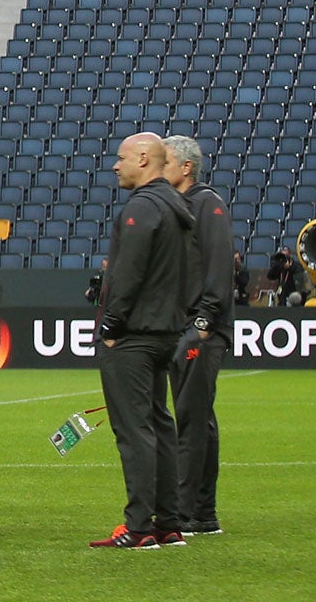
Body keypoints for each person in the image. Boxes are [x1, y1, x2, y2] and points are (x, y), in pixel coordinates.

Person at [89, 132, 195, 550]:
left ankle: (139, 526)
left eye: (121, 158)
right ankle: (168, 522)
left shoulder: (143, 207)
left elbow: (128, 273)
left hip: (135, 333)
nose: (116, 166)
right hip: (166, 329)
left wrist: (111, 327)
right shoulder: (178, 205)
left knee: (134, 430)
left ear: (145, 159)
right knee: (159, 423)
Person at [165, 133, 236, 538]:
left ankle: (187, 510)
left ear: (187, 167)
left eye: (168, 161)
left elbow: (218, 264)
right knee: (196, 417)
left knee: (192, 419)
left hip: (201, 328)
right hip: (188, 324)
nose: (161, 167)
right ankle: (202, 513)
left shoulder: (206, 204)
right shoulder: (183, 206)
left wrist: (204, 322)